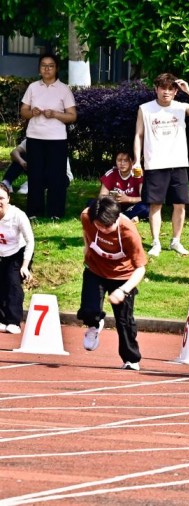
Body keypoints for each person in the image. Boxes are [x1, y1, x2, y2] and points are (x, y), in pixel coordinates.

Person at [133, 73, 189, 257]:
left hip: (178, 163)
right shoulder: (145, 109)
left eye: (170, 89)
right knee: (155, 205)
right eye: (163, 88)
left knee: (180, 204)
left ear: (175, 91)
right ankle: (156, 242)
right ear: (156, 89)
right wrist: (137, 160)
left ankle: (176, 241)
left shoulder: (180, 107)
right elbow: (139, 135)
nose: (166, 92)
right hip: (154, 163)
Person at [78, 196, 147, 371]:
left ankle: (131, 359)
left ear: (116, 219)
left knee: (124, 320)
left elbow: (140, 269)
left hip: (123, 276)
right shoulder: (86, 217)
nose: (102, 229)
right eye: (99, 225)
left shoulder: (128, 232)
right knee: (89, 309)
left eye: (107, 226)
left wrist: (123, 290)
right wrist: (87, 249)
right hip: (96, 269)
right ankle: (94, 325)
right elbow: (86, 232)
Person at [19, 53, 77, 219]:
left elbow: (72, 116)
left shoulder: (64, 89)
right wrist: (32, 112)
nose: (47, 69)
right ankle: (34, 212)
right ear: (39, 68)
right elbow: (23, 111)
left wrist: (55, 114)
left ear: (56, 69)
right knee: (35, 175)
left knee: (56, 177)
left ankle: (55, 212)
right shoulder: (33, 87)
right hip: (35, 137)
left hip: (57, 139)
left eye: (51, 66)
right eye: (43, 65)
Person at [0, 183, 34, 335]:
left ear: (8, 199)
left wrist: (25, 266)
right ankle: (2, 319)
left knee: (13, 282)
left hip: (18, 252)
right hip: (1, 253)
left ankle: (14, 322)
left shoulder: (18, 215)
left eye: (1, 198)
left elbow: (30, 241)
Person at [97, 151, 149, 222]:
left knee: (145, 208)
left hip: (133, 205)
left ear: (132, 162)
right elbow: (101, 196)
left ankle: (119, 217)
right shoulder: (111, 173)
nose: (122, 163)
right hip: (114, 205)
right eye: (119, 160)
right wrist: (111, 198)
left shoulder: (137, 173)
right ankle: (128, 217)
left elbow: (144, 198)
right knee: (91, 203)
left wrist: (128, 199)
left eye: (126, 160)